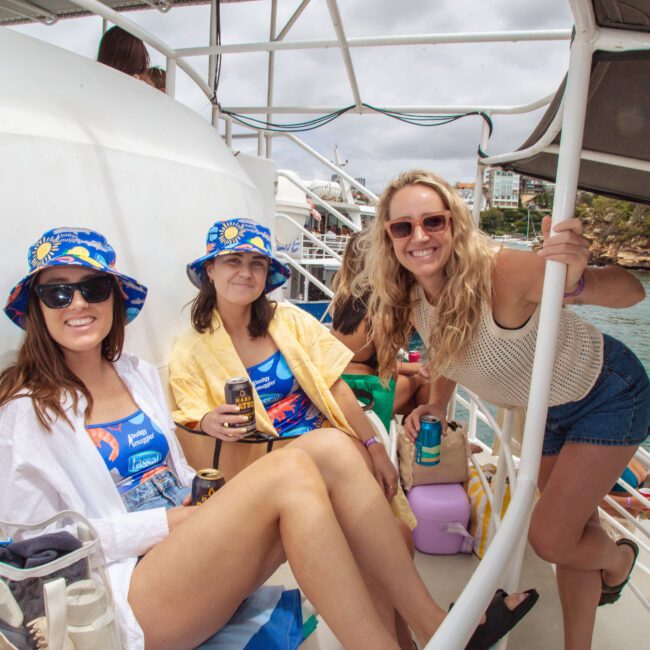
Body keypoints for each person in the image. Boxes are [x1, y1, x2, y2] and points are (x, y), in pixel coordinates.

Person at [0, 226, 537, 650]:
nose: (77, 304)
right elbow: (31, 550)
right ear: (36, 308)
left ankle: (433, 626)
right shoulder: (25, 412)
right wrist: (166, 520)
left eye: (93, 288)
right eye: (57, 292)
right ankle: (434, 633)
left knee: (330, 447)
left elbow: (178, 473)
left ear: (115, 299)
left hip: (188, 538)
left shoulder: (136, 374)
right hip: (128, 586)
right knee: (296, 471)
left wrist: (195, 498)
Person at [358, 169, 649, 650]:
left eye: (433, 221)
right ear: (388, 238)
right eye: (403, 227)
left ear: (455, 225)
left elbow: (631, 292)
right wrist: (435, 403)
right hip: (545, 410)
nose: (420, 237)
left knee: (553, 539)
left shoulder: (503, 271)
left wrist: (575, 279)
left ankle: (618, 561)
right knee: (578, 530)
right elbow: (449, 348)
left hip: (607, 391)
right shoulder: (411, 293)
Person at [331, 231, 430, 418]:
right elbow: (388, 373)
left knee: (416, 391)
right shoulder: (378, 312)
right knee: (426, 384)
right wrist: (418, 377)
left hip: (341, 390)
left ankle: (409, 439)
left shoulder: (347, 303)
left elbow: (377, 363)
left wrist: (416, 368)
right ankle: (427, 442)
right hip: (362, 398)